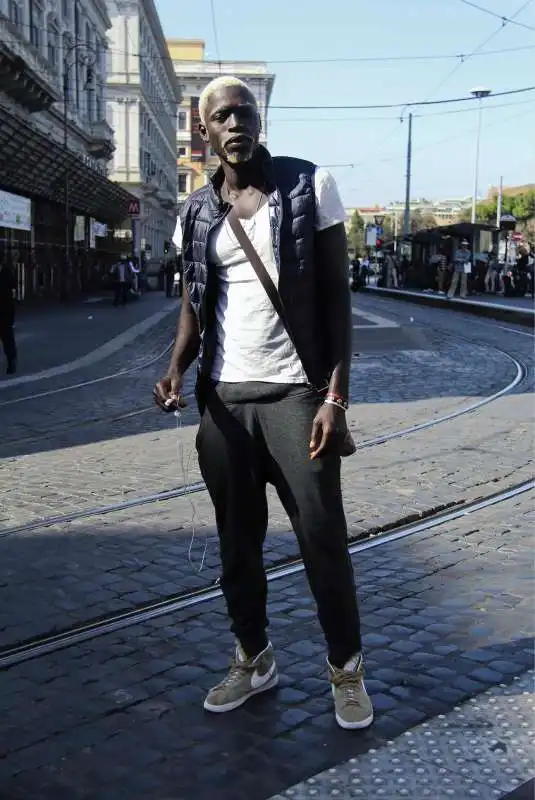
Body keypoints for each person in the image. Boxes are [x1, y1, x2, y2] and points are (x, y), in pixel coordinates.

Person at [154, 75, 373, 731]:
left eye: (244, 111)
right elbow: (194, 305)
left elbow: (337, 299)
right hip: (224, 401)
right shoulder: (194, 211)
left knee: (322, 540)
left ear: (259, 119)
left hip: (295, 396)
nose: (234, 122)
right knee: (236, 547)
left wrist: (335, 395)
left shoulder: (308, 187)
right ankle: (253, 658)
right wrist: (173, 370)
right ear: (205, 131)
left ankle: (346, 670)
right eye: (221, 115)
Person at [0, 261, 17, 374]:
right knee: (8, 338)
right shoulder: (7, 271)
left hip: (5, 311)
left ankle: (11, 362)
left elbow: (13, 291)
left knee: (7, 339)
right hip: (6, 310)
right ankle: (11, 360)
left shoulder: (7, 272)